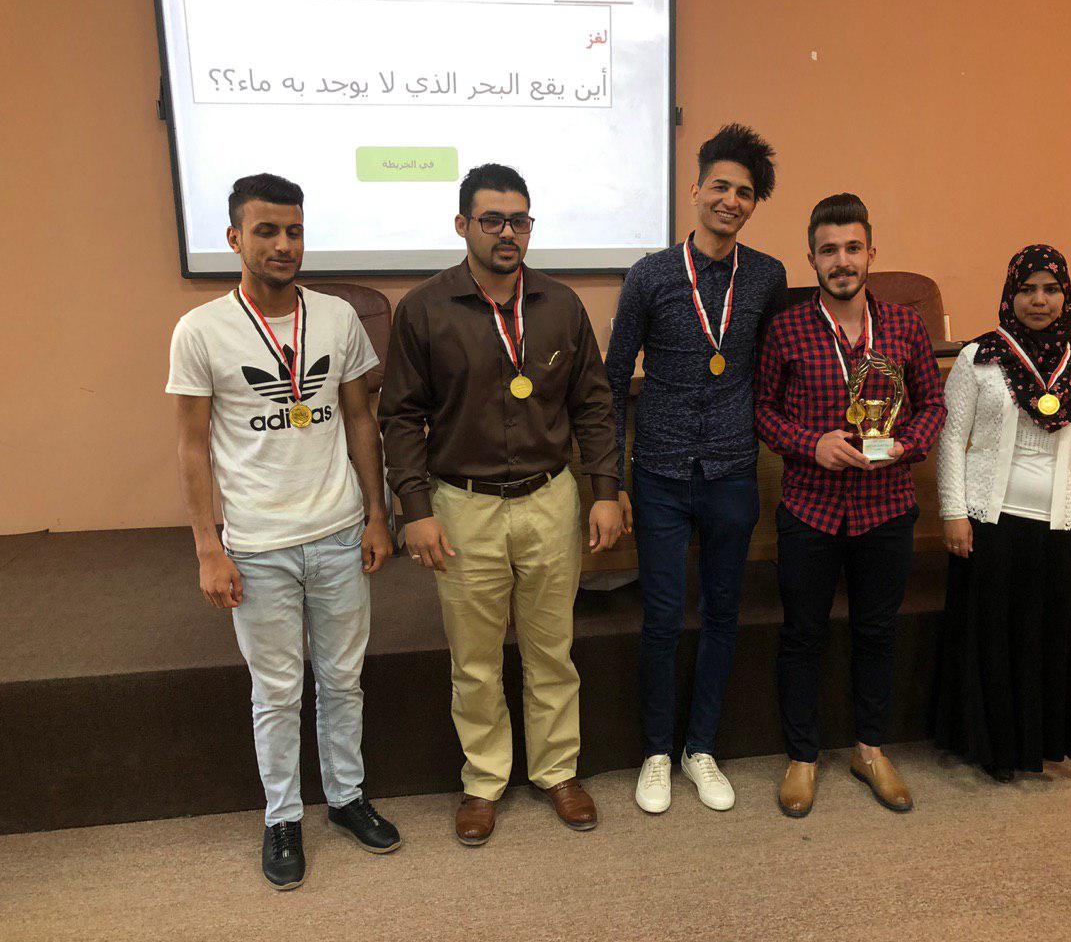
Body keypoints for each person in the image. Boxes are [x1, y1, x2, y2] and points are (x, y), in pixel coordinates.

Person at [167, 173, 400, 891]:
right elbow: (192, 448)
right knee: (275, 690)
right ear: (234, 238)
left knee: (343, 678)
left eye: (293, 231)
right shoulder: (200, 330)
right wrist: (208, 548)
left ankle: (347, 798)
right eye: (265, 231)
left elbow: (359, 418)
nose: (283, 244)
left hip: (338, 532)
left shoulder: (336, 317)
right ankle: (282, 816)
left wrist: (376, 513)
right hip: (258, 545)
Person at [379, 163, 623, 846]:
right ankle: (484, 780)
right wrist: (416, 509)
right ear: (463, 225)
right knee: (476, 659)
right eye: (492, 220)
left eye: (519, 220)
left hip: (550, 500)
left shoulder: (561, 305)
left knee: (552, 650)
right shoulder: (424, 309)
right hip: (463, 507)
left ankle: (557, 771)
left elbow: (594, 403)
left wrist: (606, 492)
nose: (507, 232)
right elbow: (400, 417)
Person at [606, 124, 788, 814]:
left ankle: (700, 747)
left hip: (733, 471)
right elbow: (613, 379)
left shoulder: (767, 277)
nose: (731, 200)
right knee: (660, 618)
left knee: (721, 615)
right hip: (659, 472)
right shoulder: (650, 275)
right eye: (720, 186)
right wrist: (611, 481)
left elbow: (772, 368)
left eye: (744, 193)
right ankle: (657, 750)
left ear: (753, 204)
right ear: (695, 189)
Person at [755, 193, 945, 817]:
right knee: (802, 634)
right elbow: (762, 411)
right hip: (809, 508)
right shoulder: (786, 329)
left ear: (871, 253)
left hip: (886, 506)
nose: (842, 260)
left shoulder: (905, 326)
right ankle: (802, 757)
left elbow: (933, 404)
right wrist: (811, 443)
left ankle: (870, 749)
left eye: (853, 248)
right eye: (829, 250)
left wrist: (906, 447)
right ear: (811, 258)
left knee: (877, 632)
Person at [934, 244, 1071, 782]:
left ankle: (1038, 743)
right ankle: (992, 748)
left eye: (1051, 289)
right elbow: (951, 438)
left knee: (1044, 638)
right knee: (992, 639)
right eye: (1027, 289)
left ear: (1065, 296)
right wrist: (953, 510)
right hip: (990, 522)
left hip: (1058, 525)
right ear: (1010, 295)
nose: (1039, 300)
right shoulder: (980, 356)